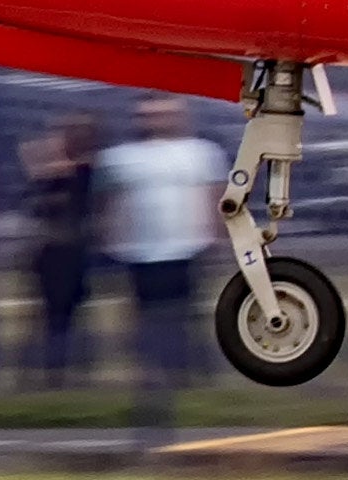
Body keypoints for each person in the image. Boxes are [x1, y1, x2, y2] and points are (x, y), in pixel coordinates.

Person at [95, 96, 226, 445]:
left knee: (182, 315)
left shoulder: (202, 153)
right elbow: (108, 203)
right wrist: (111, 242)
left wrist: (215, 236)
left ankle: (184, 372)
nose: (158, 120)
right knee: (147, 322)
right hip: (140, 255)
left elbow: (215, 197)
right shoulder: (123, 158)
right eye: (150, 114)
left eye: (166, 114)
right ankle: (152, 379)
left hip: (186, 249)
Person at [20, 114, 99, 388]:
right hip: (51, 253)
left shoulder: (85, 173)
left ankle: (65, 372)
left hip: (75, 252)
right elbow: (36, 202)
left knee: (67, 315)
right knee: (52, 317)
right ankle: (52, 374)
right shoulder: (49, 176)